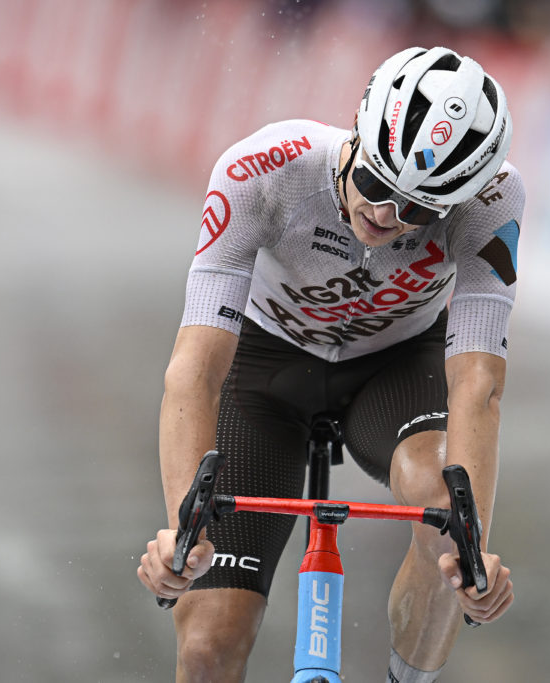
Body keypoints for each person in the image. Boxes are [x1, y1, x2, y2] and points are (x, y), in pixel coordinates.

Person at [138, 46, 520, 682]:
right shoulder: (264, 169)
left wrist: (470, 547)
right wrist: (184, 531)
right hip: (264, 367)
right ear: (357, 127)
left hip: (395, 368)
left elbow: (477, 382)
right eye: (375, 185)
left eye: (419, 211)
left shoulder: (493, 205)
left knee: (444, 512)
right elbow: (195, 371)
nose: (386, 216)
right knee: (208, 651)